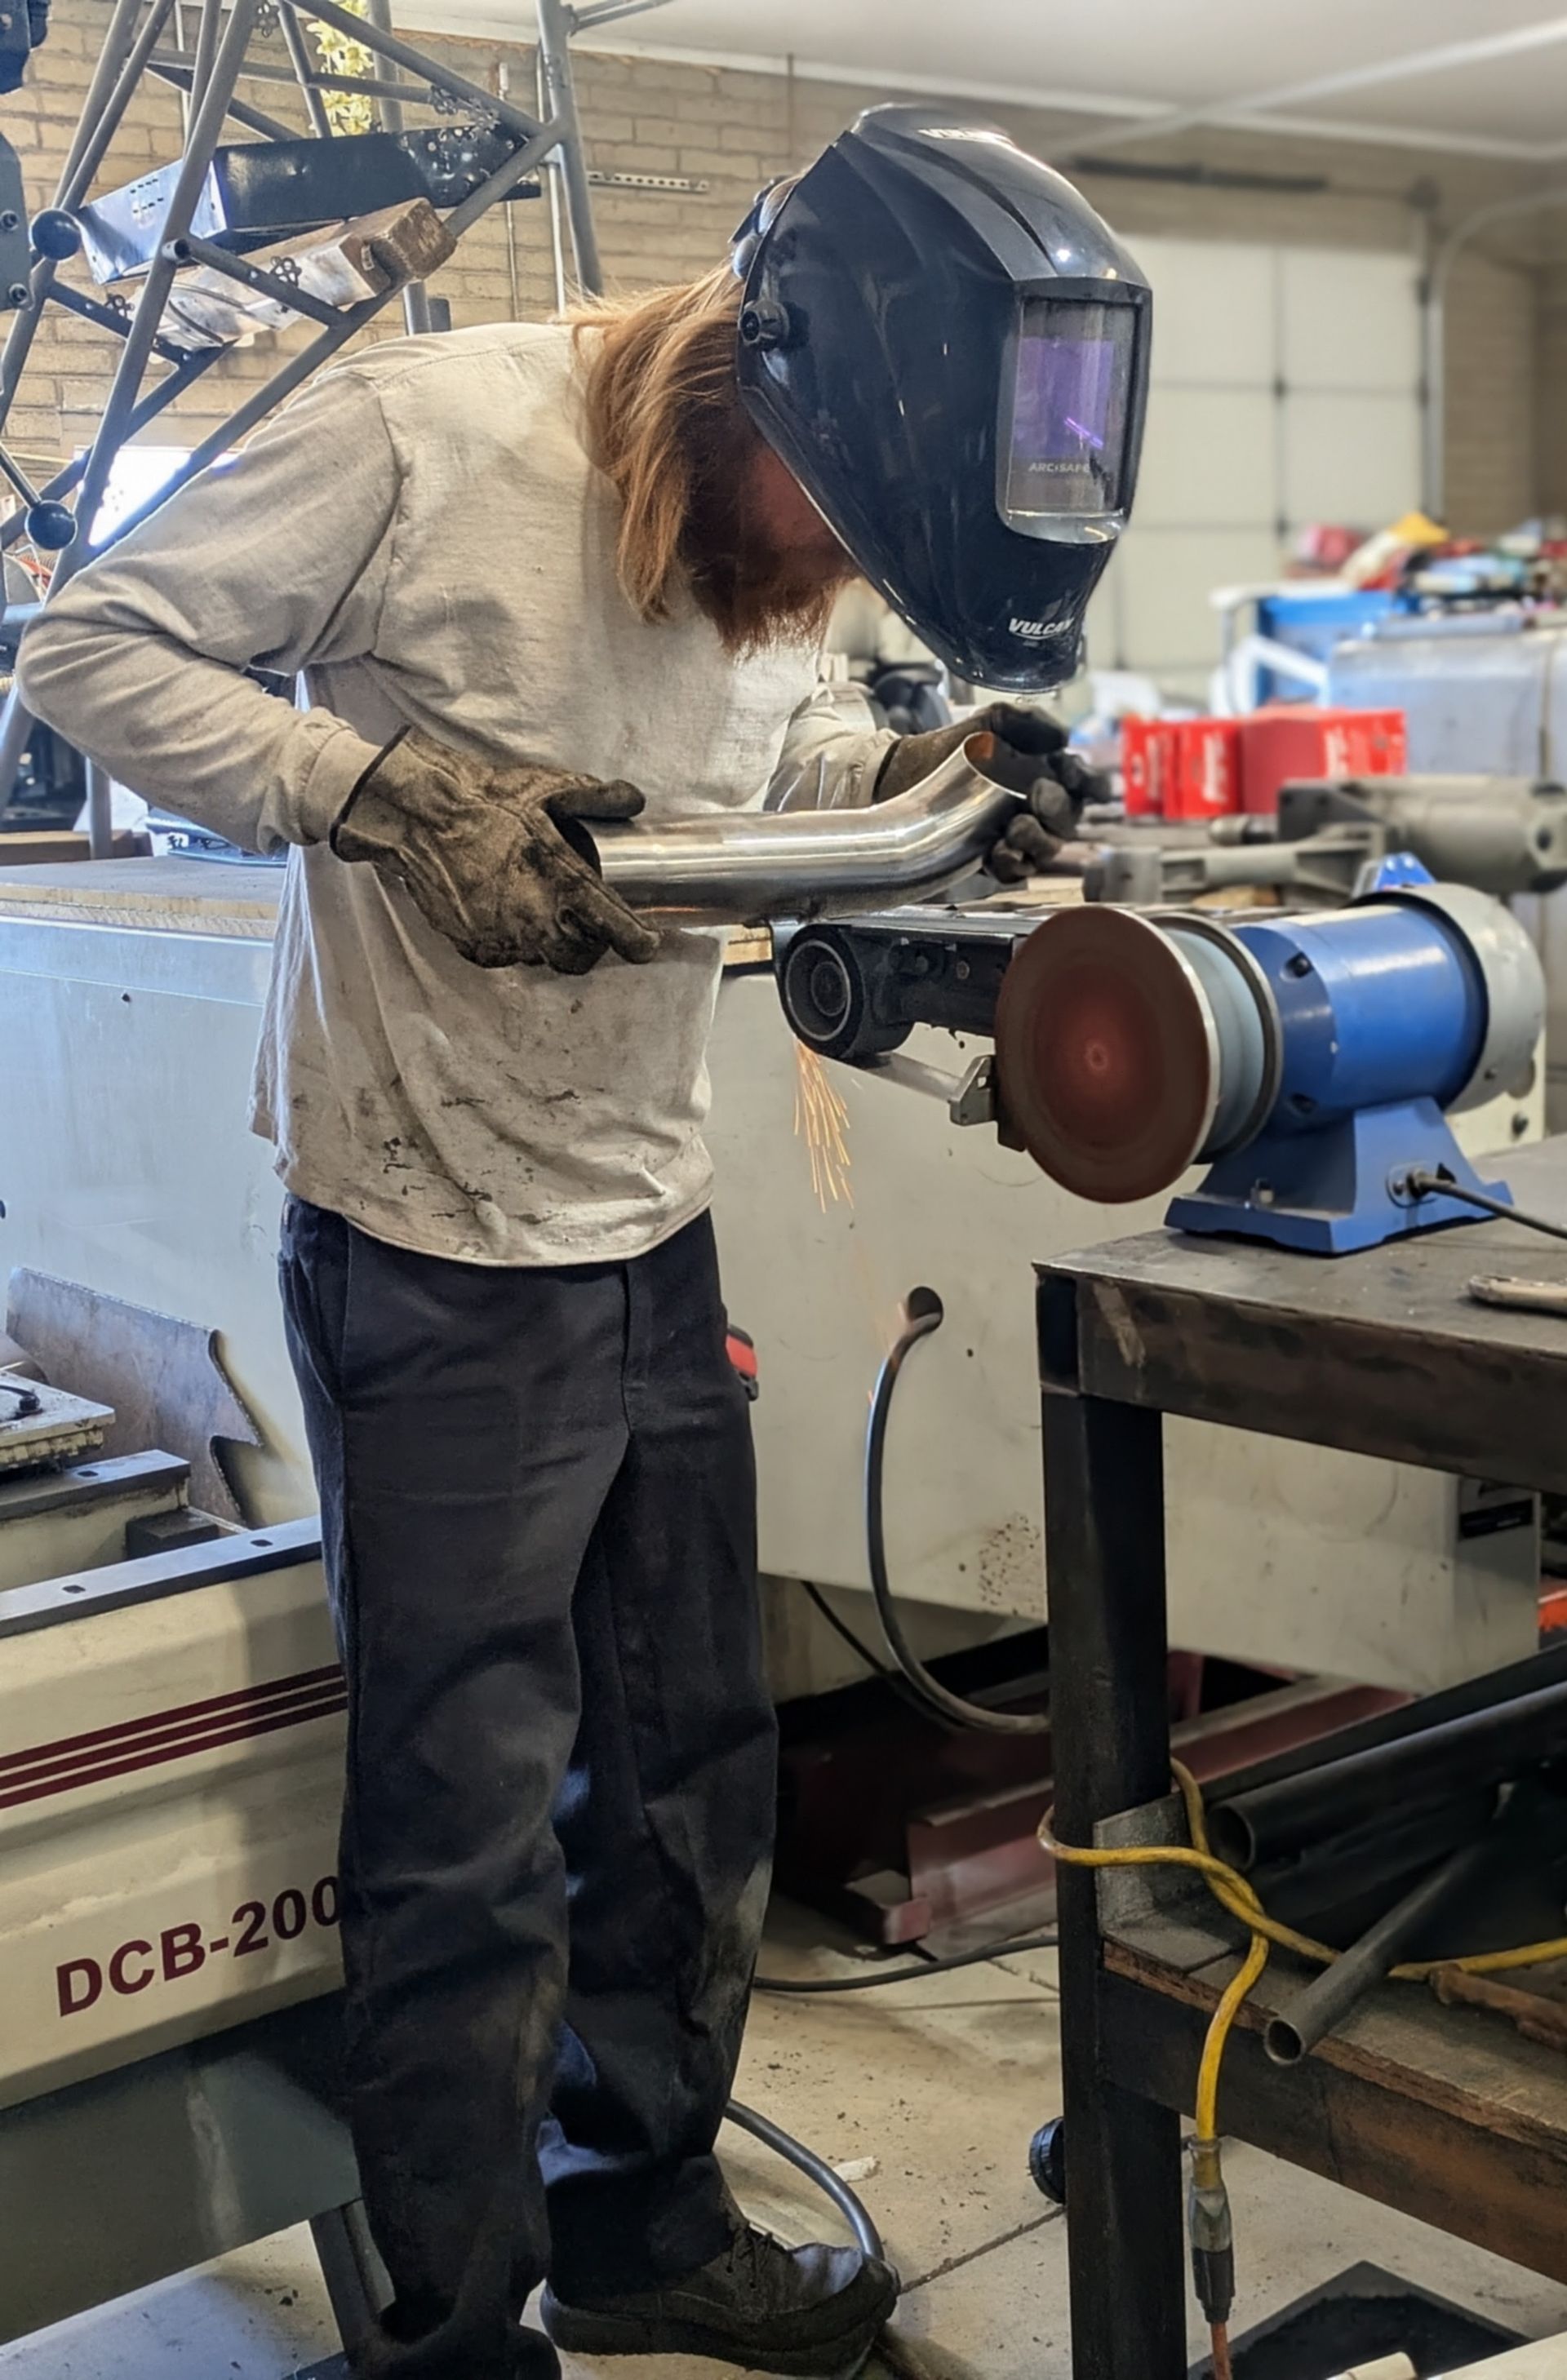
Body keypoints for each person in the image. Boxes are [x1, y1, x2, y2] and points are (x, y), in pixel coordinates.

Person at [19, 107, 1148, 2380]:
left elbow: (776, 770)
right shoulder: (424, 438)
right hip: (430, 1242)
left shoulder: (785, 532)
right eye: (838, 522)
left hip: (650, 1223)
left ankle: (640, 2221)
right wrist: (375, 789)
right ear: (757, 385)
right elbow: (82, 643)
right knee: (463, 1836)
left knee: (685, 1776)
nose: (830, 576)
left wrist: (930, 797)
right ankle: (450, 2338)